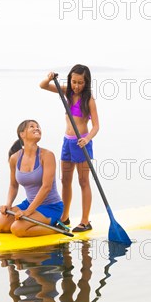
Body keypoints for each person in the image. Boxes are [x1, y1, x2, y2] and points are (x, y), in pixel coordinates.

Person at [40, 64, 99, 232]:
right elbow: (43, 86)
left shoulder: (89, 100)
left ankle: (85, 221)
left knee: (83, 181)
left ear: (86, 82)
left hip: (82, 144)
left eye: (80, 82)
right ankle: (65, 218)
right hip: (67, 142)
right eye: (74, 82)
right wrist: (49, 77)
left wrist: (87, 139)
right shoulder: (66, 91)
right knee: (65, 181)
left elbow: (96, 126)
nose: (77, 86)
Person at [0, 120, 64, 237]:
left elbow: (46, 187)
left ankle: (56, 228)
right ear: (22, 134)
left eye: (38, 126)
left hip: (51, 206)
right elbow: (13, 185)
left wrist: (28, 212)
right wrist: (8, 205)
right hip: (29, 203)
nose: (37, 128)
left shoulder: (47, 155)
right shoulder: (15, 158)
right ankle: (31, 224)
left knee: (17, 229)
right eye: (32, 126)